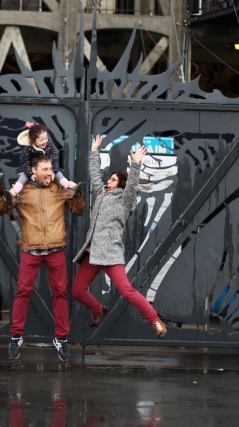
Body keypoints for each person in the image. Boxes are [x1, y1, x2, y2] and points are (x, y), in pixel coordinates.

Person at [71, 135, 167, 338]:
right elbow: (95, 175)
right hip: (92, 253)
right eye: (110, 178)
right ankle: (98, 309)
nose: (109, 181)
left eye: (113, 180)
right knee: (77, 291)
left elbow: (132, 187)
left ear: (120, 185)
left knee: (127, 291)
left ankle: (155, 320)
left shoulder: (125, 202)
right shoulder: (101, 194)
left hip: (111, 254)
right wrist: (94, 151)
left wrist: (136, 164)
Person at [0, 154, 85, 362]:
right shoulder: (23, 190)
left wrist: (77, 194)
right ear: (33, 171)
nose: (50, 173)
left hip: (55, 249)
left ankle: (61, 338)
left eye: (51, 169)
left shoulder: (58, 189)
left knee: (60, 293)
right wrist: (6, 198)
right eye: (45, 169)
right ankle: (16, 336)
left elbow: (78, 211)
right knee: (23, 292)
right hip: (31, 248)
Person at [8, 123, 76, 198]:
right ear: (33, 141)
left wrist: (53, 170)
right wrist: (30, 174)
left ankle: (68, 186)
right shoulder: (27, 149)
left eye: (46, 138)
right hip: (32, 169)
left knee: (59, 174)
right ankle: (14, 191)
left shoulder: (48, 144)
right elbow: (24, 163)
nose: (45, 141)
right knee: (23, 177)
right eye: (41, 140)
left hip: (47, 168)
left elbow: (54, 157)